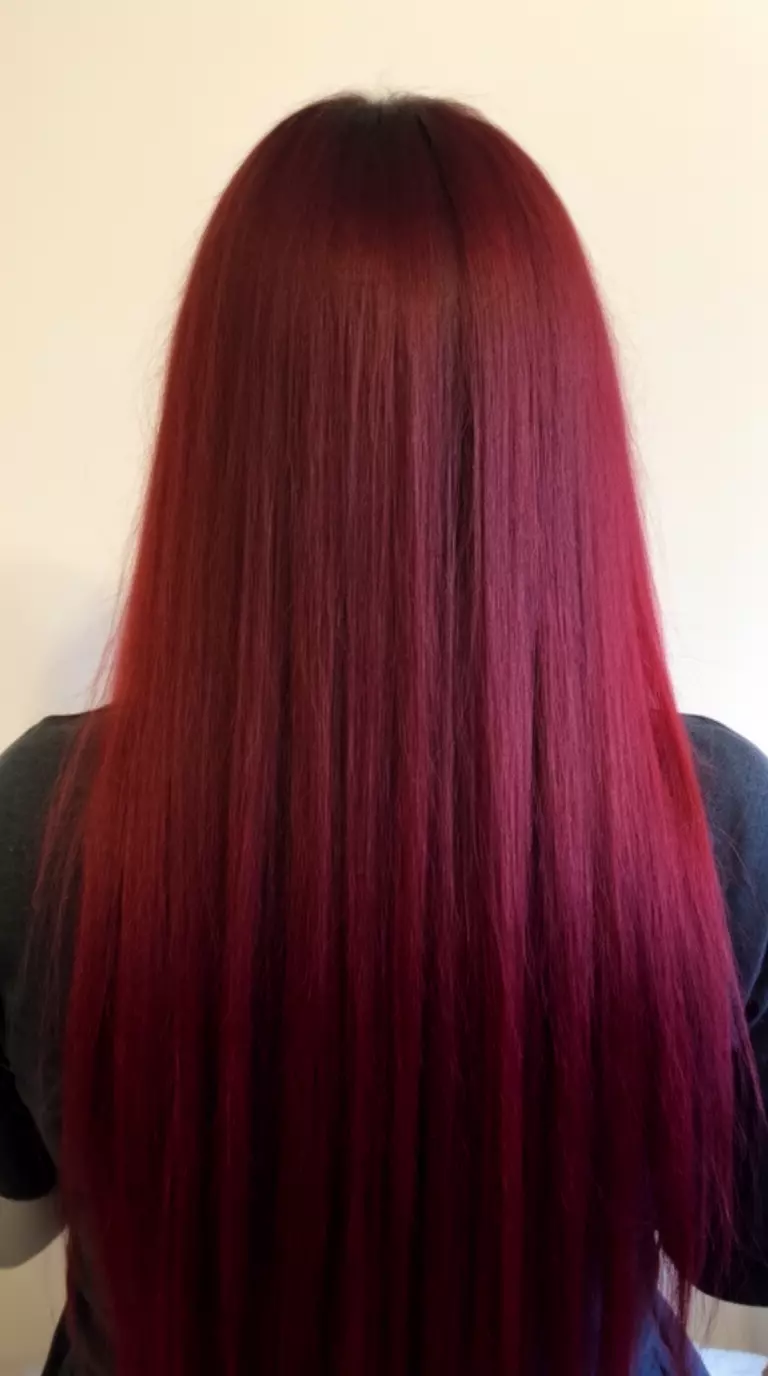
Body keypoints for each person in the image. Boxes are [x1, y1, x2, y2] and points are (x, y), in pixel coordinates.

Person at [0, 94, 767, 1376]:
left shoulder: (42, 817)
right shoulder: (709, 813)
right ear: (560, 435)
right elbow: (741, 1263)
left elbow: (19, 1226)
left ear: (219, 431)